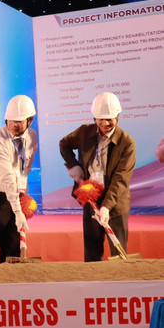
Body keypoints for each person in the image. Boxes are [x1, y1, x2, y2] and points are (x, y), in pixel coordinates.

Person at [60, 92, 136, 262]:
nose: (105, 123)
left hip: (115, 205)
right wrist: (74, 165)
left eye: (110, 118)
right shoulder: (84, 132)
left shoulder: (127, 143)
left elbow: (120, 180)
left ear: (117, 116)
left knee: (118, 252)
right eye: (100, 119)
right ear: (94, 117)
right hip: (90, 197)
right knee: (92, 252)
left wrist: (107, 207)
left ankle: (118, 286)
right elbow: (63, 144)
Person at [0, 95, 38, 263]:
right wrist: (18, 211)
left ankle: (11, 286)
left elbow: (25, 168)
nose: (15, 124)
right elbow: (8, 177)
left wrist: (23, 193)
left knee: (12, 246)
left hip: (15, 196)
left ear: (29, 121)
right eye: (11, 120)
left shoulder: (32, 137)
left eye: (20, 121)